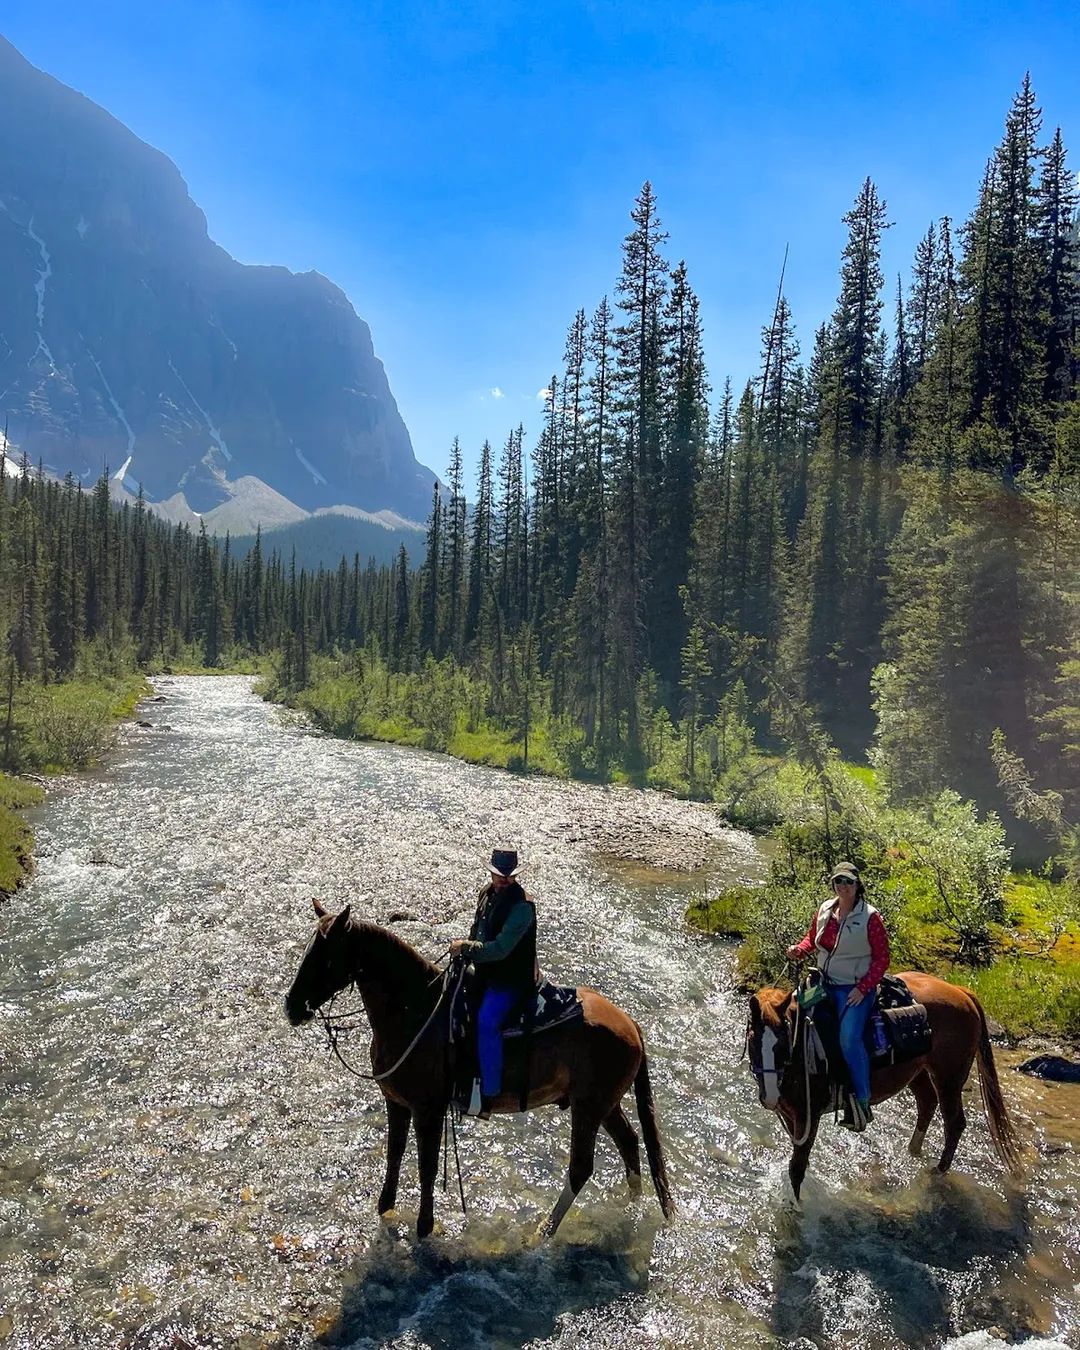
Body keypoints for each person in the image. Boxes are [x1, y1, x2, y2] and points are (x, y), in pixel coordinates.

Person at [786, 861, 890, 1132]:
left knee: (848, 1038)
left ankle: (863, 1101)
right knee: (790, 1013)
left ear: (858, 886)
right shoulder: (825, 909)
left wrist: (862, 988)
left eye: (848, 882)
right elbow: (813, 939)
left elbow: (882, 959)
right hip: (823, 982)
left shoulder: (870, 917)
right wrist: (800, 948)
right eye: (838, 881)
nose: (843, 886)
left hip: (854, 988)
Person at [449, 848, 539, 1119]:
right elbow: (478, 931)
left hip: (511, 980)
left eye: (508, 876)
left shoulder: (522, 907)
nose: (504, 880)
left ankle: (489, 1092)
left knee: (487, 1022)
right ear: (491, 872)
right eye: (500, 875)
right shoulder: (486, 894)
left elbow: (500, 949)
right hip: (486, 972)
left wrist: (465, 948)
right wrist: (466, 954)